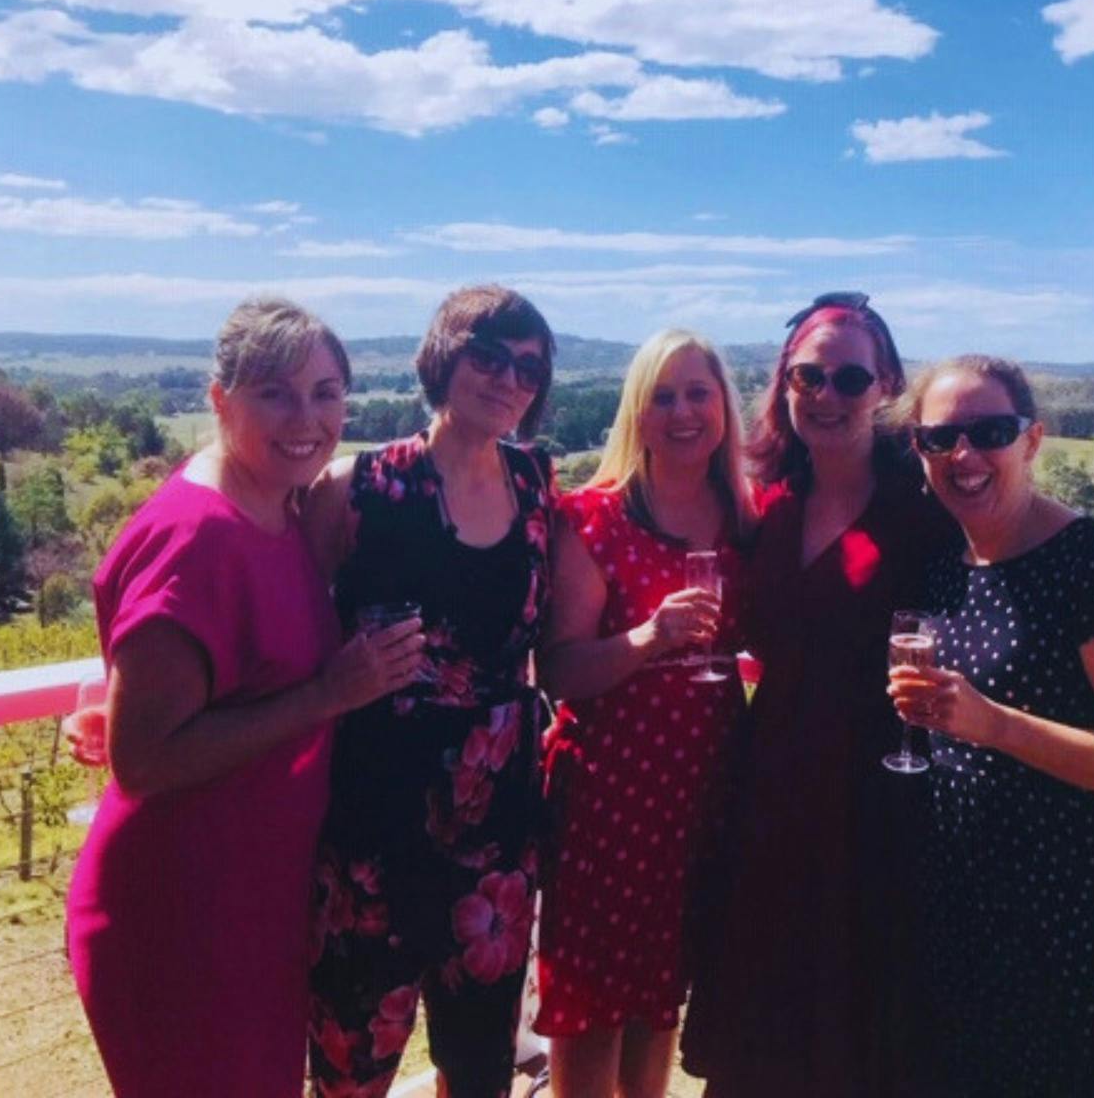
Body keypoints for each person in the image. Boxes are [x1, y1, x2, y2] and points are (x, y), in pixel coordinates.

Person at [66, 299, 425, 1098]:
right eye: (276, 392)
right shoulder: (199, 536)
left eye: (327, 392)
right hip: (179, 916)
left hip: (250, 906)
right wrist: (329, 694)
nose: (308, 418)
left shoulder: (281, 504)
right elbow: (145, 763)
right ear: (219, 398)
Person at [681, 292, 957, 1098]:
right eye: (809, 376)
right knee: (758, 1019)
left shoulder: (923, 512)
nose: (828, 395)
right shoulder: (761, 502)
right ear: (785, 384)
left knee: (854, 1021)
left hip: (876, 795)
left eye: (849, 378)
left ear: (886, 387)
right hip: (766, 785)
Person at [887, 354, 1094, 1097]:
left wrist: (997, 725)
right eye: (939, 438)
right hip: (961, 914)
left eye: (989, 431)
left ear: (1033, 440)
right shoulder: (943, 566)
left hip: (1069, 922)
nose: (964, 455)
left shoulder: (1091, 562)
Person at [304, 284, 557, 1098]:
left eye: (528, 367)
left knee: (479, 1069)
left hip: (498, 834)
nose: (508, 379)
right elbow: (289, 632)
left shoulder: (537, 486)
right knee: (352, 1066)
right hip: (372, 826)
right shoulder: (359, 488)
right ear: (443, 359)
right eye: (488, 355)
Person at [536, 330, 754, 1098]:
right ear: (637, 411)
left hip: (702, 791)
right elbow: (558, 669)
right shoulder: (595, 517)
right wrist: (648, 637)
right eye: (663, 396)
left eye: (699, 392)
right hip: (612, 796)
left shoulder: (745, 518)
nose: (683, 411)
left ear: (725, 406)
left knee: (661, 997)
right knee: (593, 1009)